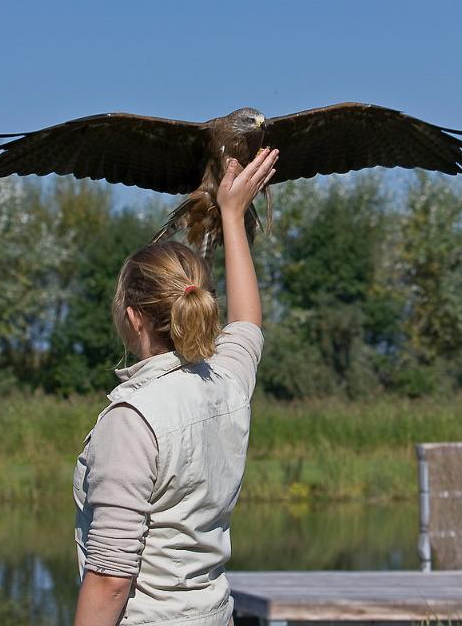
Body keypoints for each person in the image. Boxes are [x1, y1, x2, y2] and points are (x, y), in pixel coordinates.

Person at [73, 146, 279, 626]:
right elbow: (247, 322)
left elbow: (110, 580)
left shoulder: (132, 420)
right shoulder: (226, 384)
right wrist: (232, 215)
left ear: (133, 318)